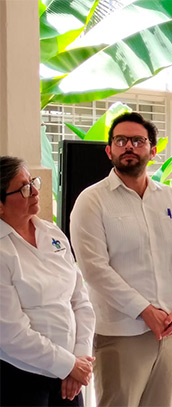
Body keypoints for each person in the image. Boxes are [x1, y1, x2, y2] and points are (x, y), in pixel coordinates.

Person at [70, 113, 172, 406]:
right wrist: (144, 310)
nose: (129, 146)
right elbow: (94, 269)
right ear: (109, 150)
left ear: (152, 151)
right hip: (121, 333)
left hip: (171, 330)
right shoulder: (91, 201)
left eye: (138, 141)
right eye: (120, 140)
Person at [0, 156, 95, 406]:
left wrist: (80, 357)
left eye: (32, 182)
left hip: (70, 377)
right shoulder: (2, 252)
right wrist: (68, 364)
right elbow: (11, 333)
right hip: (21, 378)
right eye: (23, 188)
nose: (33, 191)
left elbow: (80, 300)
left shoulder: (52, 233)